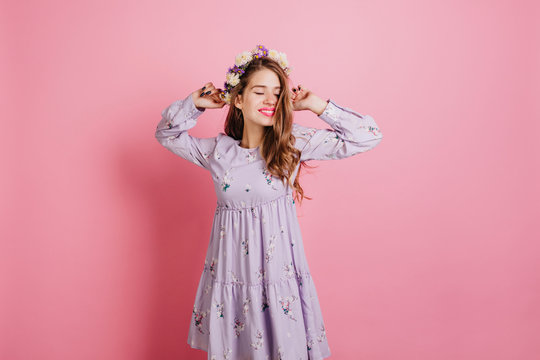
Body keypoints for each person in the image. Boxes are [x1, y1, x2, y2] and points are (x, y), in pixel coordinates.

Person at [154, 44, 383, 360]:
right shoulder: (219, 152)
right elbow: (167, 134)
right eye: (259, 92)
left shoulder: (292, 144)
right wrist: (194, 104)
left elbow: (368, 135)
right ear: (238, 98)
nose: (270, 101)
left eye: (277, 93)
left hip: (277, 280)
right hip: (233, 280)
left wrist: (317, 105)